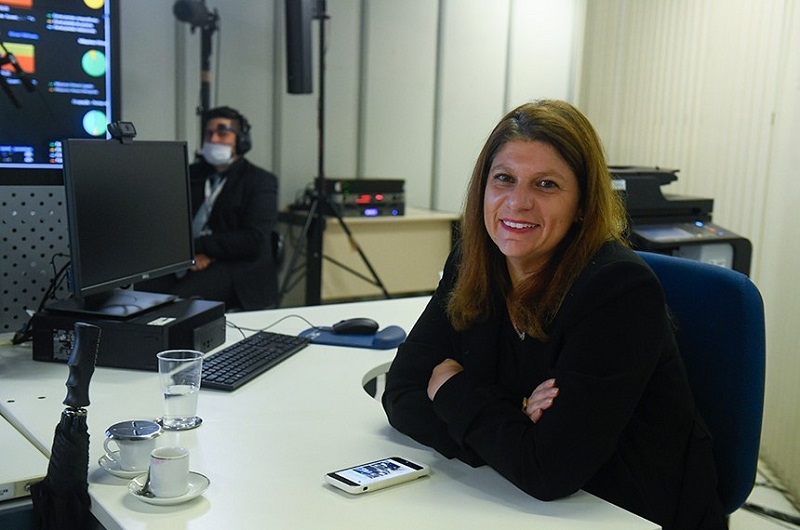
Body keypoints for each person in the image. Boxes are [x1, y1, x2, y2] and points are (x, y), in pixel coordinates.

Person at [381, 100, 727, 529]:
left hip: (625, 510)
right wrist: (514, 420)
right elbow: (401, 394)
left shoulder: (617, 290)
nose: (517, 202)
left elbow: (548, 471)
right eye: (504, 179)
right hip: (517, 498)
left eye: (546, 184)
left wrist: (452, 389)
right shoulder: (473, 261)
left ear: (582, 204)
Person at [140, 106, 279, 310]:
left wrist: (202, 248)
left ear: (241, 140)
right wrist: (189, 254)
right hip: (189, 258)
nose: (213, 139)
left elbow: (254, 240)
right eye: (209, 133)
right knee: (143, 291)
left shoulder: (260, 181)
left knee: (179, 300)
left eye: (222, 133)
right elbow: (167, 221)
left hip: (237, 266)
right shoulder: (189, 174)